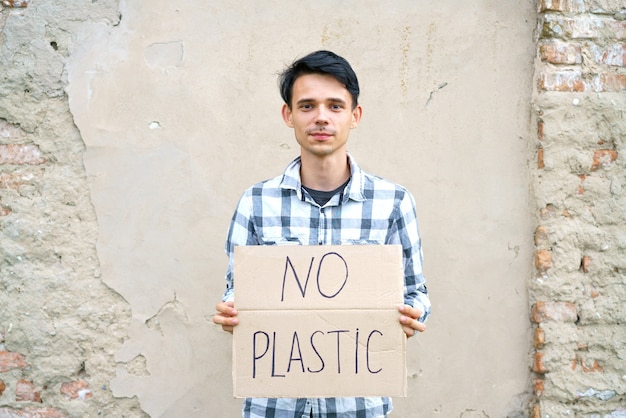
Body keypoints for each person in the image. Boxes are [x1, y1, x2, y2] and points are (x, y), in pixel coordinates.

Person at [213, 50, 431, 418]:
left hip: (359, 407)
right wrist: (233, 312)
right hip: (275, 407)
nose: (321, 118)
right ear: (288, 115)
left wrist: (413, 314)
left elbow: (416, 293)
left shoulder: (394, 202)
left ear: (354, 116)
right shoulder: (255, 202)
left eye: (335, 106)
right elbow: (237, 290)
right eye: (307, 106)